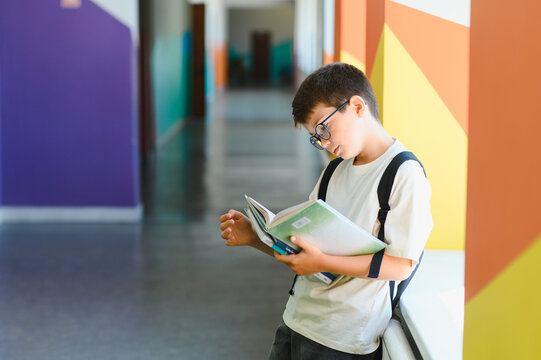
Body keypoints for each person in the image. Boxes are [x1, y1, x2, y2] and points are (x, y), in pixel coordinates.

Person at [219, 63, 433, 359]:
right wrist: (256, 238)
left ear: (357, 106)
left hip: (345, 338)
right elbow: (307, 257)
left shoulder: (403, 173)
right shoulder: (334, 170)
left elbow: (402, 264)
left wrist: (322, 262)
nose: (324, 143)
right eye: (316, 137)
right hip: (296, 321)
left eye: (324, 128)